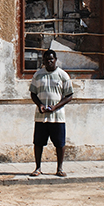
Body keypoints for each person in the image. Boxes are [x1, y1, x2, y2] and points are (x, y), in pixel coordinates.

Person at [29, 49, 74, 177]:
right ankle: (37, 168)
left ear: (55, 60)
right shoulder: (38, 75)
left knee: (60, 144)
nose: (49, 61)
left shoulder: (63, 75)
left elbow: (69, 95)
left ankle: (59, 168)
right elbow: (33, 93)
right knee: (38, 143)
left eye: (51, 59)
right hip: (41, 117)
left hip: (58, 117)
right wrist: (40, 105)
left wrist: (56, 107)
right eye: (47, 59)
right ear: (43, 61)